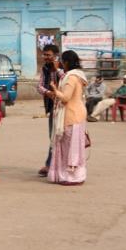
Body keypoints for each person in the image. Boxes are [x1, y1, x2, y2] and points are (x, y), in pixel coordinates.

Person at [45, 50, 90, 186]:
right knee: (72, 146)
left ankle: (72, 176)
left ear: (66, 62)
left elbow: (65, 98)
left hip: (71, 116)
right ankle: (72, 175)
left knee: (69, 148)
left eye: (62, 61)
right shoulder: (78, 75)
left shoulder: (71, 77)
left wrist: (54, 89)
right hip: (77, 114)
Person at [36, 45, 63, 175]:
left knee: (62, 135)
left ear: (56, 55)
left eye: (48, 55)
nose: (46, 57)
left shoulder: (63, 67)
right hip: (53, 106)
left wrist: (57, 69)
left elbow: (68, 80)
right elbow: (39, 86)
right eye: (44, 55)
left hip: (65, 106)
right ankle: (51, 164)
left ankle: (53, 165)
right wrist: (48, 92)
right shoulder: (45, 68)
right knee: (53, 136)